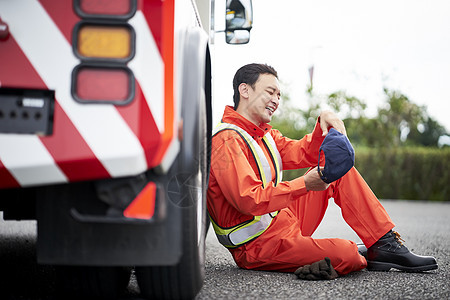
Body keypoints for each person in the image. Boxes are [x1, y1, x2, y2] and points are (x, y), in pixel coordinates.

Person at [206, 63, 437, 279]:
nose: (276, 100)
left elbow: (302, 152)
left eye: (279, 95)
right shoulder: (226, 140)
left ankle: (383, 244)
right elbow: (249, 200)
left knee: (337, 171)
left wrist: (324, 121)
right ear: (244, 90)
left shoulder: (263, 135)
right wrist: (305, 184)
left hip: (283, 223)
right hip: (258, 246)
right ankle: (358, 251)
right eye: (270, 92)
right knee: (347, 256)